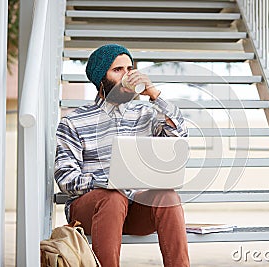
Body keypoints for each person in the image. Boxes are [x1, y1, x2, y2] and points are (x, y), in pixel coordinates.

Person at [54, 44, 190, 266]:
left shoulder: (146, 113)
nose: (128, 75)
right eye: (118, 70)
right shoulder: (74, 121)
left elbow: (179, 137)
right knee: (113, 197)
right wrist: (109, 183)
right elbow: (66, 179)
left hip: (135, 211)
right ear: (101, 79)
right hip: (92, 210)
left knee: (167, 196)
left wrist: (155, 94)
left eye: (130, 68)